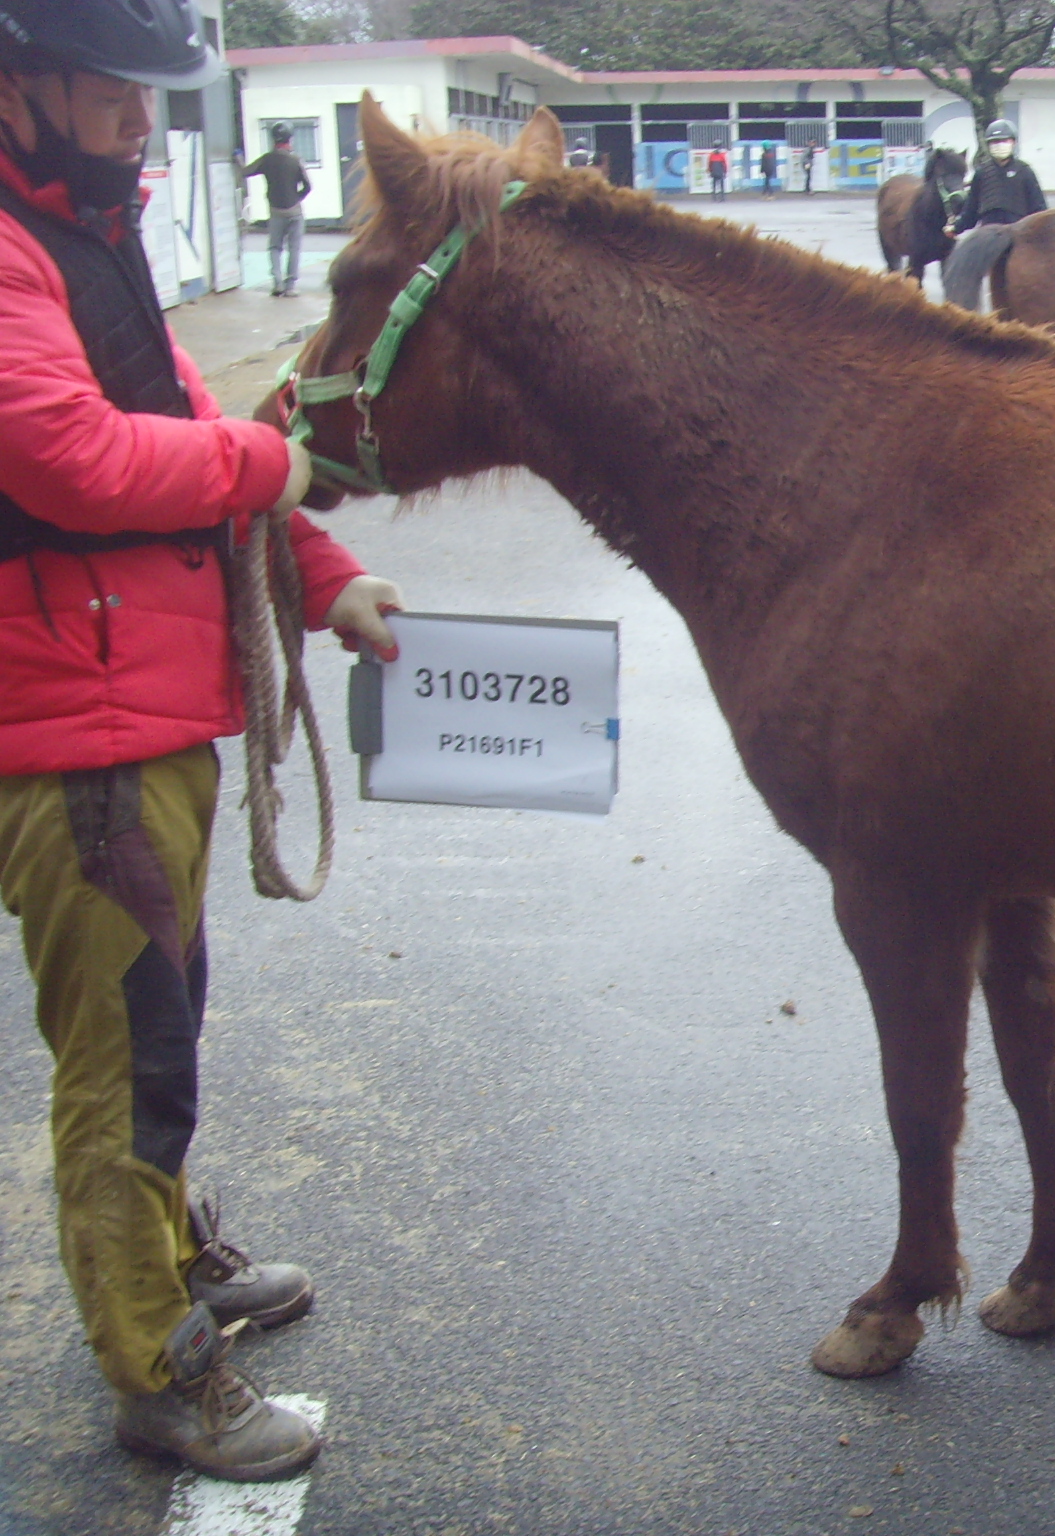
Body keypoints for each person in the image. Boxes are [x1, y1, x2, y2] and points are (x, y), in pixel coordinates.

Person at [0, 0, 404, 1483]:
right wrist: (268, 456)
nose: (143, 121)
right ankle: (159, 1368)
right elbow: (74, 457)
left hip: (136, 716)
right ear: (20, 83)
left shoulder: (88, 240)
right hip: (75, 732)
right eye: (115, 90)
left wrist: (324, 574)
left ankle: (162, 1263)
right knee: (124, 1061)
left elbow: (183, 434)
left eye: (154, 95)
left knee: (162, 1026)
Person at [242, 120, 311, 298]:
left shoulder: (267, 159)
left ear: (273, 139)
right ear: (290, 139)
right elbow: (308, 186)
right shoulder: (296, 160)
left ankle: (277, 284)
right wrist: (297, 198)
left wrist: (237, 159)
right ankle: (291, 287)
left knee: (275, 247)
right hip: (295, 211)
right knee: (294, 248)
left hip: (275, 211)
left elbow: (245, 171)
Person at [949, 119, 1045, 235]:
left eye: (1004, 140)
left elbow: (1039, 208)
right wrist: (956, 228)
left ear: (1013, 142)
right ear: (988, 145)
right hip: (988, 234)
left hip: (1018, 234)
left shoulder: (1024, 171)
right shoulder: (981, 173)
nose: (999, 145)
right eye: (994, 142)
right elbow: (971, 211)